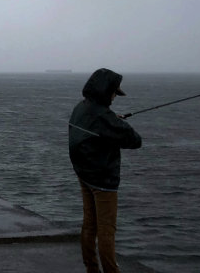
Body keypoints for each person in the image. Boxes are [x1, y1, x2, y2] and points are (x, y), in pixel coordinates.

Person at [68, 68, 142, 273]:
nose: (114, 97)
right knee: (107, 231)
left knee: (89, 225)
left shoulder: (80, 107)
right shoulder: (104, 118)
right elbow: (135, 141)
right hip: (103, 182)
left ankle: (91, 268)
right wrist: (114, 121)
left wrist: (111, 119)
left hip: (84, 174)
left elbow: (92, 127)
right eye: (114, 93)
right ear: (105, 91)